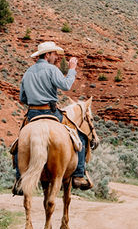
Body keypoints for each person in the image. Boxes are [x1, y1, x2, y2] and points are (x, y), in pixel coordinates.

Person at [18, 40, 92, 190]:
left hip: (32, 114)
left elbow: (22, 99)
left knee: (19, 142)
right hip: (51, 112)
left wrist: (34, 99)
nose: (57, 57)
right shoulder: (52, 70)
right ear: (47, 55)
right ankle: (78, 175)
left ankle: (19, 179)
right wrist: (72, 69)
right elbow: (65, 85)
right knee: (80, 136)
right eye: (54, 54)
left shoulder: (27, 73)